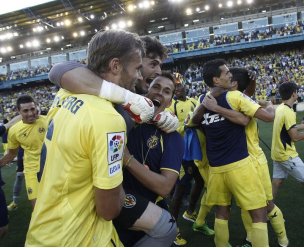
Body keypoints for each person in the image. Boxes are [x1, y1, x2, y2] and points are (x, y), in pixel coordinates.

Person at [25, 30, 145, 246]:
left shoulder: (65, 93)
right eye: (137, 68)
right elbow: (108, 209)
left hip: (43, 231)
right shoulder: (108, 119)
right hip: (79, 237)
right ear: (115, 65)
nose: (139, 76)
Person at [193, 59, 273, 247]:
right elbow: (256, 119)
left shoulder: (202, 101)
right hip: (239, 165)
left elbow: (193, 121)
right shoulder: (235, 96)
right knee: (259, 213)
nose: (230, 75)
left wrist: (212, 108)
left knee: (222, 211)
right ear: (216, 79)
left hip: (216, 168)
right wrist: (270, 106)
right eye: (226, 72)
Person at [47, 35, 178, 134]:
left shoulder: (129, 94)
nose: (159, 71)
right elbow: (57, 70)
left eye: (160, 65)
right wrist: (126, 97)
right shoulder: (88, 80)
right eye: (153, 64)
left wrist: (160, 117)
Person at [113, 72, 184, 246]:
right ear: (147, 90)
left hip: (143, 209)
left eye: (167, 91)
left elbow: (165, 187)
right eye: (156, 87)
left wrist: (127, 159)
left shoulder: (171, 137)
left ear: (169, 101)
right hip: (107, 197)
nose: (160, 92)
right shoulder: (124, 116)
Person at [0, 95, 47, 208]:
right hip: (32, 171)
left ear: (36, 107)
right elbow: (12, 154)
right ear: (18, 111)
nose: (30, 113)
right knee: (37, 208)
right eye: (25, 110)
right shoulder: (14, 131)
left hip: (52, 168)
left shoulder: (48, 121)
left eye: (32, 109)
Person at [271, 82, 304, 199]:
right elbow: (294, 137)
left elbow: (287, 128)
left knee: (277, 182)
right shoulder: (288, 112)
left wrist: (302, 126)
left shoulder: (281, 108)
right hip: (286, 155)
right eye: (297, 91)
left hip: (277, 153)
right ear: (293, 94)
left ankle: (266, 210)